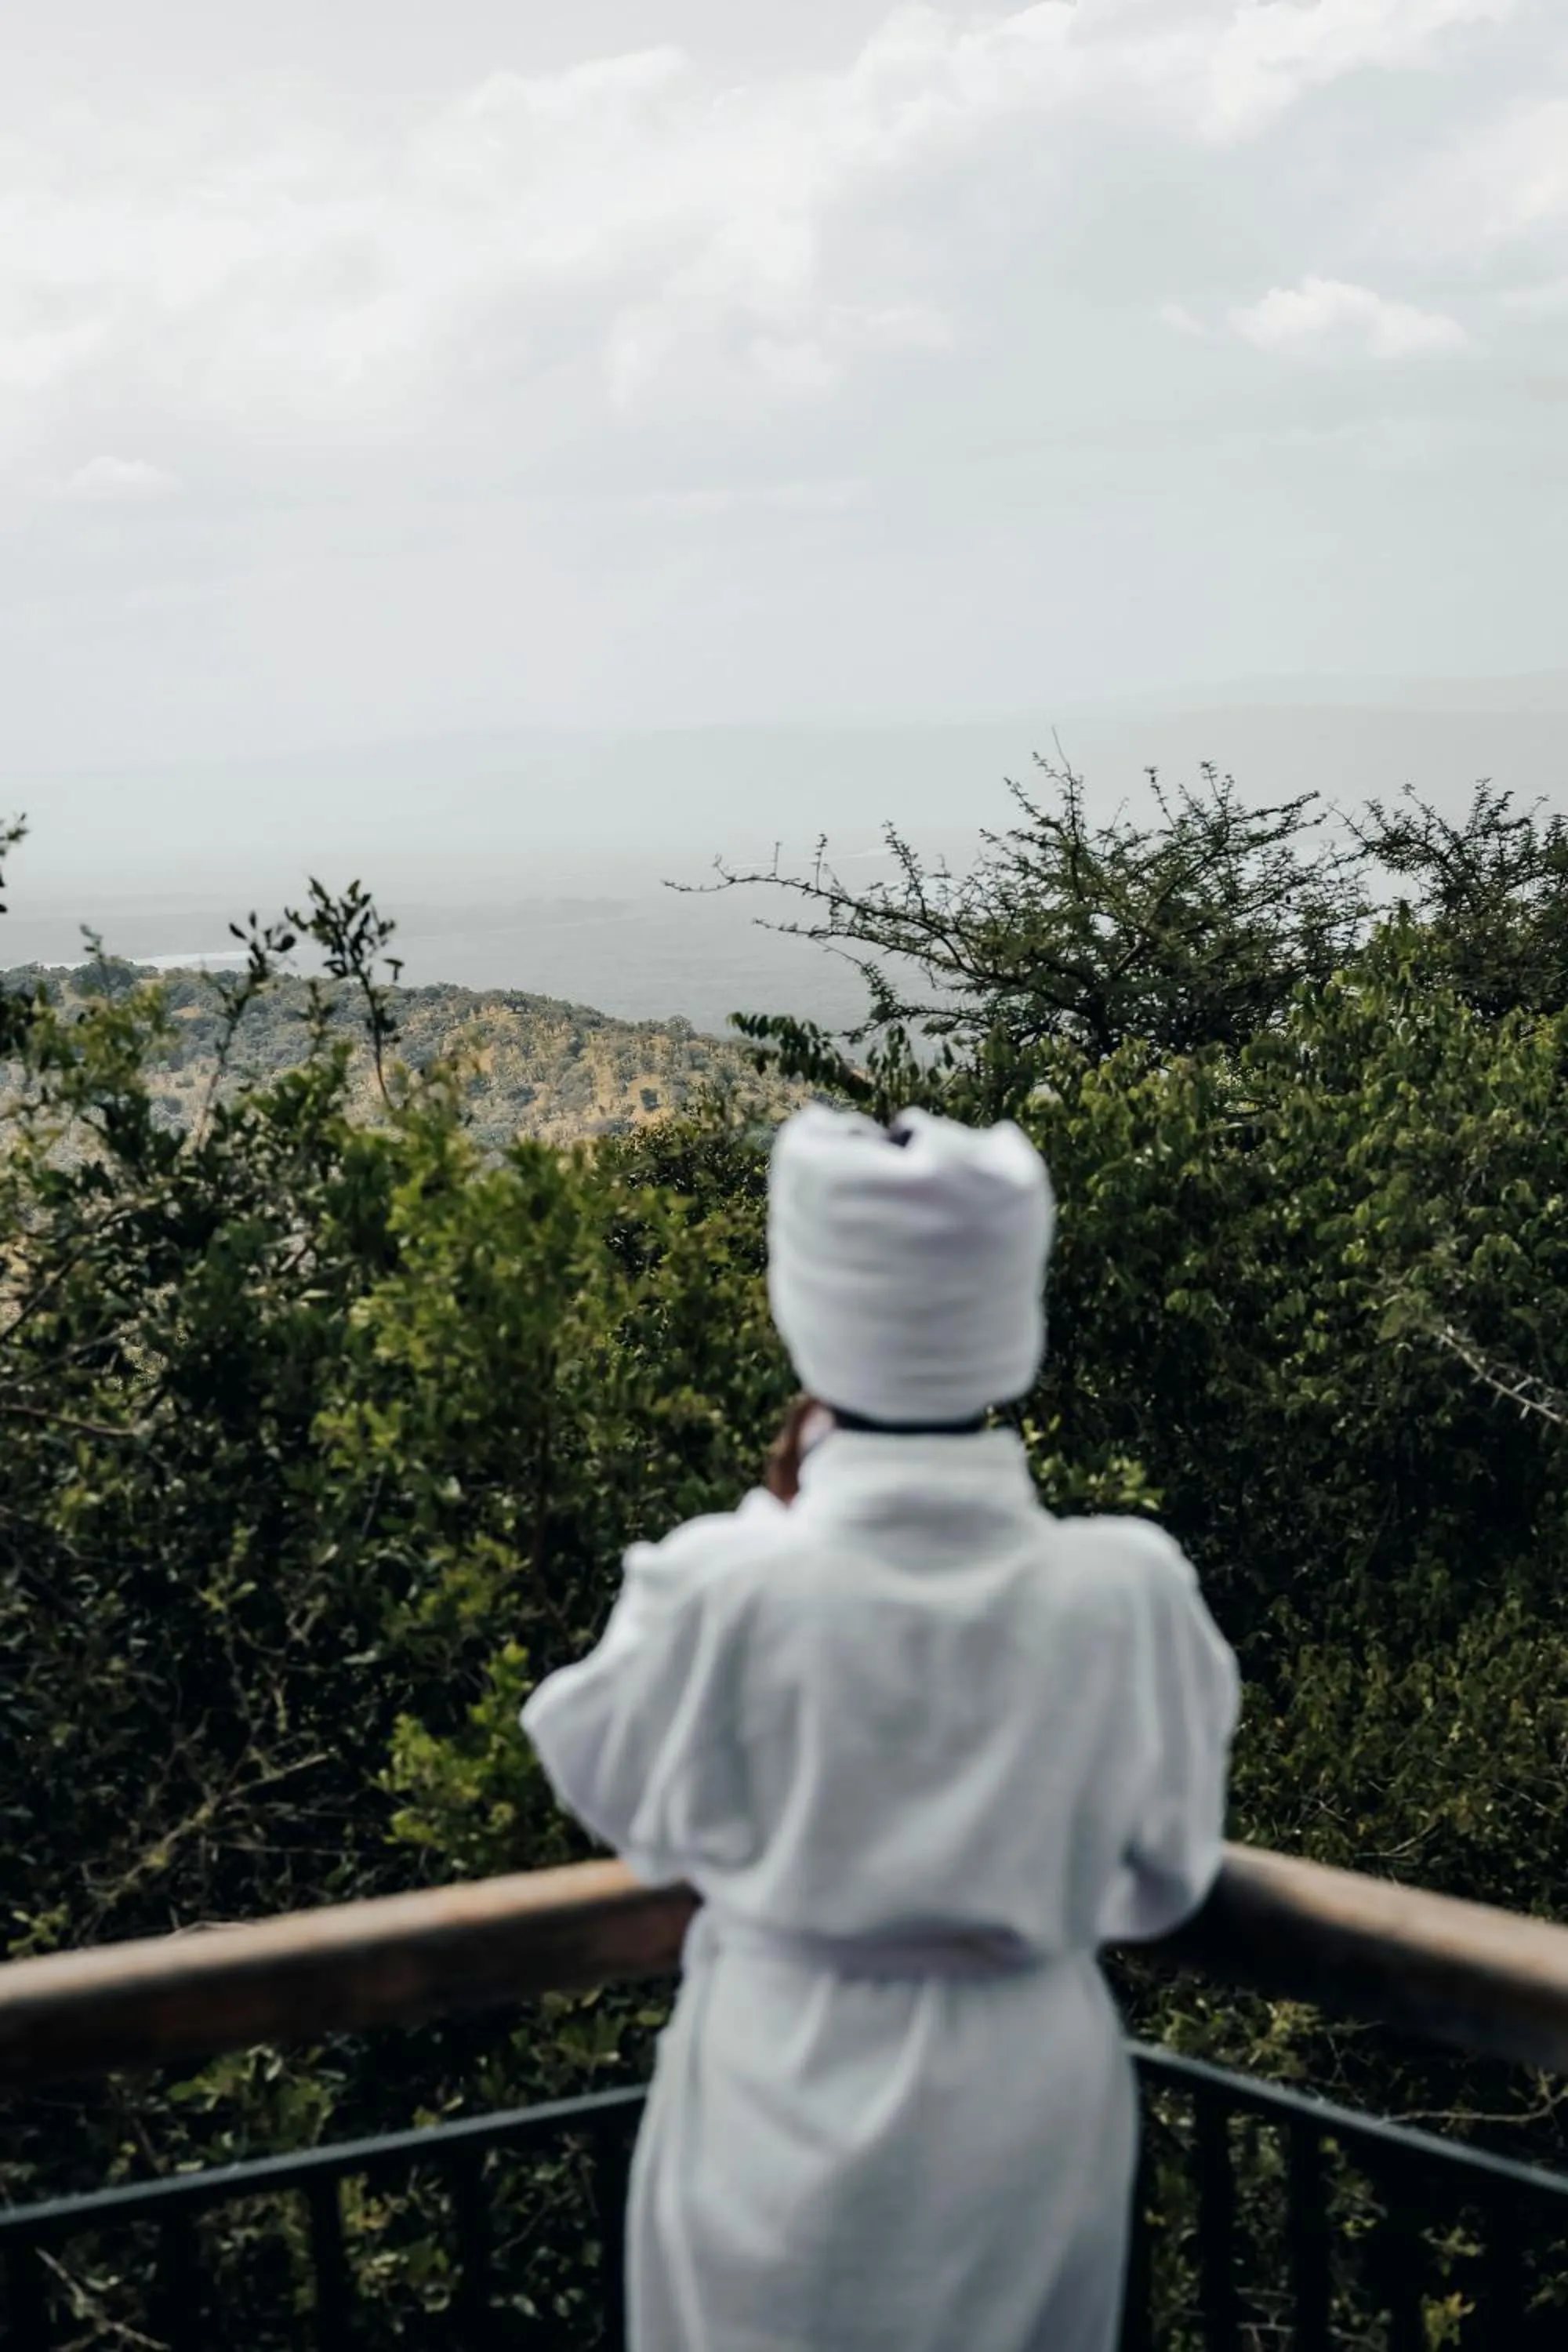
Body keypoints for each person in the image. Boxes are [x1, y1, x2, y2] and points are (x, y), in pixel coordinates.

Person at [521, 1103, 1240, 2352]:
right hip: (1030, 2104)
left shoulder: (725, 1586)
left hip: (775, 2081)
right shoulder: (1125, 1592)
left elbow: (613, 1789)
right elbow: (1170, 1874)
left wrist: (774, 1513)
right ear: (1009, 1315)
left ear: (812, 1313)